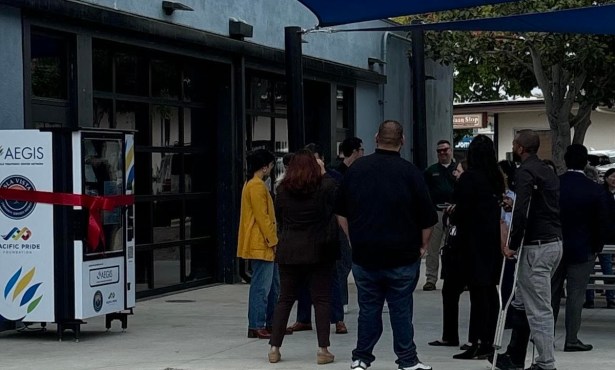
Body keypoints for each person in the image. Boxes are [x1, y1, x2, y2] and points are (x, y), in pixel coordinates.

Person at [336, 120, 438, 370]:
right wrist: (422, 247)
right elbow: (428, 217)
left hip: (365, 254)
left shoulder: (357, 170)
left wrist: (352, 238)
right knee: (401, 311)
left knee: (368, 309)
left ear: (375, 138)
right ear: (402, 140)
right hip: (402, 255)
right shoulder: (411, 172)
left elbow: (340, 211)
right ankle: (407, 360)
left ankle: (361, 357)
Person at [492, 129, 563, 370]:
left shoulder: (525, 173)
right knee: (522, 300)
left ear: (520, 148)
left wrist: (511, 244)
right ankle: (515, 355)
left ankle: (546, 363)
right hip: (553, 242)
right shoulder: (547, 171)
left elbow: (522, 213)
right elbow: (543, 206)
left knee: (539, 308)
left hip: (536, 248)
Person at [268, 149, 338, 365]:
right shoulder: (324, 186)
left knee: (285, 299)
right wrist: (324, 172)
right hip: (318, 250)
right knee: (321, 299)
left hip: (289, 248)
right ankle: (323, 349)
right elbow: (336, 201)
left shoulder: (282, 190)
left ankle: (274, 347)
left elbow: (280, 218)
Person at [444, 136, 503, 360]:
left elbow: (461, 211)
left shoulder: (470, 178)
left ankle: (477, 341)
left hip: (471, 242)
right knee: (489, 292)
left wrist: (452, 211)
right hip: (492, 241)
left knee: (477, 294)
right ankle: (488, 339)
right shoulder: (495, 177)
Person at [288, 142, 352, 334]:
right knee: (304, 279)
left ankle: (338, 318)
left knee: (333, 277)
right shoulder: (301, 181)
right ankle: (304, 318)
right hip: (307, 237)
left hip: (330, 234)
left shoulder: (333, 178)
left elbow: (340, 204)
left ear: (322, 160)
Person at [551, 144, 609, 353]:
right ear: (586, 162)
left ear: (565, 161)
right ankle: (572, 339)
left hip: (554, 245)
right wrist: (596, 247)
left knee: (551, 294)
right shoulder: (594, 189)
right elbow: (602, 222)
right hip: (583, 247)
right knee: (576, 295)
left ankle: (544, 336)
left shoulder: (554, 185)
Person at [429, 160, 475, 349]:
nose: (455, 174)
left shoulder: (469, 194)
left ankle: (474, 339)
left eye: (458, 171)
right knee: (449, 293)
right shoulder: (456, 192)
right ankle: (449, 335)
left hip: (465, 251)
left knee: (471, 294)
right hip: (453, 250)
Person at [236, 149, 279, 339]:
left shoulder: (253, 184)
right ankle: (257, 324)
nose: (271, 168)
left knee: (273, 286)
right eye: (270, 165)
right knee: (262, 287)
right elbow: (263, 218)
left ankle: (271, 322)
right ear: (264, 166)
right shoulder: (256, 186)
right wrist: (273, 240)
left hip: (263, 242)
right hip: (261, 243)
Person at [423, 139, 456, 291]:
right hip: (436, 213)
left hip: (455, 213)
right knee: (433, 248)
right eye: (439, 151)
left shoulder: (459, 169)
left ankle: (455, 277)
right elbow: (425, 193)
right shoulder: (430, 171)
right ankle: (431, 279)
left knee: (454, 248)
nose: (442, 153)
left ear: (451, 150)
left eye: (445, 150)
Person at [585, 167, 615, 309]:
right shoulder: (601, 193)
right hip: (597, 234)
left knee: (607, 266)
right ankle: (589, 298)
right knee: (589, 267)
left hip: (609, 237)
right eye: (612, 176)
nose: (614, 180)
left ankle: (611, 298)